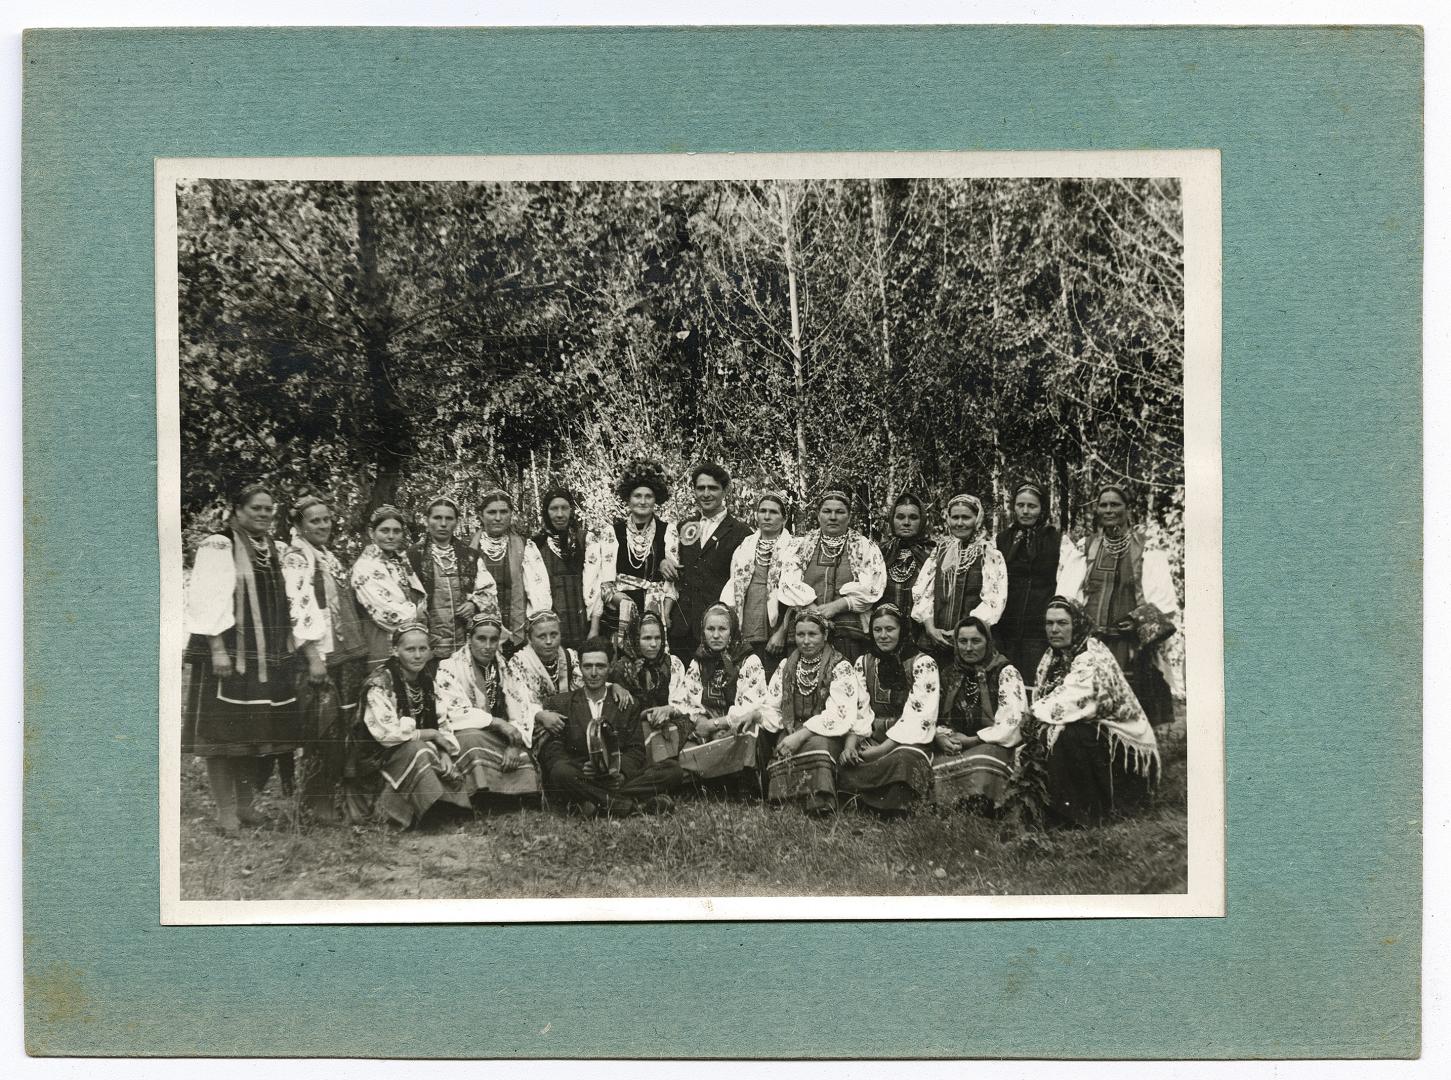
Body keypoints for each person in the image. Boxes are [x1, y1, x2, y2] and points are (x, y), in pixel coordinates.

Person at [184, 482, 311, 835]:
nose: (264, 514)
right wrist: (217, 649)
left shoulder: (275, 548)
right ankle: (226, 811)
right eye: (256, 508)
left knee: (255, 731)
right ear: (237, 510)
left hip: (269, 655)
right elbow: (207, 598)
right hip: (229, 653)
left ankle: (245, 804)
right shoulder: (219, 544)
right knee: (223, 736)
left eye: (269, 509)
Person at [1025, 597, 1160, 826]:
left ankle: (1082, 813)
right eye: (1049, 623)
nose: (1054, 629)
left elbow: (1072, 700)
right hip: (1095, 734)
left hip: (1123, 751)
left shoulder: (1092, 655)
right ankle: (1052, 806)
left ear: (1077, 624)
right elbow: (1043, 696)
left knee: (1067, 735)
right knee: (1056, 731)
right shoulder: (1052, 657)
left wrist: (1031, 716)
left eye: (1062, 623)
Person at [1057, 483, 1182, 727]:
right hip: (1092, 643)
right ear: (1096, 510)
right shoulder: (1086, 547)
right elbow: (1066, 596)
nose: (1108, 510)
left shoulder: (1146, 548)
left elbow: (1164, 600)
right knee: (1090, 705)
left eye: (1115, 504)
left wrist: (1138, 620)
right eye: (1103, 505)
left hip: (1131, 644)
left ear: (1127, 508)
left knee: (1131, 709)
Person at [280, 494, 372, 823]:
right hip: (321, 656)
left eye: (326, 519)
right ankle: (316, 804)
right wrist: (312, 658)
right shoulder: (296, 558)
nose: (323, 525)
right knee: (323, 727)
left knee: (346, 725)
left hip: (346, 652)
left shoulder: (327, 555)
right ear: (299, 525)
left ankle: (340, 799)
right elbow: (296, 608)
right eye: (314, 520)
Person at [535, 638, 686, 817]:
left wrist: (619, 773)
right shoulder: (561, 704)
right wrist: (584, 768)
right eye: (588, 666)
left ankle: (594, 802)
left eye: (600, 666)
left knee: (672, 770)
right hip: (582, 774)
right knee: (561, 772)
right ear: (580, 668)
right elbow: (553, 751)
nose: (593, 673)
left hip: (614, 777)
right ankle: (630, 806)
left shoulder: (627, 704)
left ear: (610, 667)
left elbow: (636, 750)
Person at [346, 624, 473, 828]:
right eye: (410, 649)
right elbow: (388, 735)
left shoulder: (426, 681)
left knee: (440, 752)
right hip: (377, 763)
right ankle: (421, 813)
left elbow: (442, 721)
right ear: (395, 650)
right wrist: (431, 734)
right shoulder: (380, 684)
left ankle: (447, 808)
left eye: (423, 649)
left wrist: (444, 752)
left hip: (408, 750)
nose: (417, 656)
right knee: (419, 750)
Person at [837, 604, 939, 813]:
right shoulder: (864, 663)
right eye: (877, 630)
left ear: (902, 630)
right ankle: (864, 800)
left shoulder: (923, 664)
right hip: (872, 736)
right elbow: (859, 709)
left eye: (890, 629)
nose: (883, 636)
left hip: (907, 740)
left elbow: (918, 716)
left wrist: (881, 750)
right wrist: (851, 746)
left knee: (903, 760)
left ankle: (887, 803)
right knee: (844, 758)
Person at [760, 611, 862, 815]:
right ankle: (786, 800)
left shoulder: (840, 667)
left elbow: (839, 714)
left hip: (826, 732)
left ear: (825, 635)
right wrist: (787, 730)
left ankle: (820, 800)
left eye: (812, 634)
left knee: (819, 745)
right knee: (782, 745)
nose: (805, 641)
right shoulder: (786, 666)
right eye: (800, 634)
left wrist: (801, 735)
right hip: (793, 729)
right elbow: (772, 706)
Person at [433, 612, 540, 797]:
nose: (488, 646)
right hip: (468, 733)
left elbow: (521, 707)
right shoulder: (449, 667)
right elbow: (454, 711)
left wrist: (514, 743)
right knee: (472, 738)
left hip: (501, 736)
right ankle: (483, 792)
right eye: (481, 639)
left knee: (523, 745)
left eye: (493, 640)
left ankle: (513, 794)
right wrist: (497, 722)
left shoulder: (506, 668)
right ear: (469, 639)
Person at [929, 616, 1029, 811]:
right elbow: (934, 716)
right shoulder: (949, 674)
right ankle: (950, 803)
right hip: (955, 744)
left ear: (988, 642)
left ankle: (978, 802)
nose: (968, 648)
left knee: (985, 760)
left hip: (993, 744)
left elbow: (1011, 724)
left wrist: (971, 741)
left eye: (975, 641)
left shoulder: (1005, 672)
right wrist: (941, 737)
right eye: (962, 641)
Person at [664, 603, 772, 782]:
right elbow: (688, 700)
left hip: (734, 729)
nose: (715, 635)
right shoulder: (698, 662)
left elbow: (750, 707)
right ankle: (715, 773)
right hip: (705, 729)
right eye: (710, 629)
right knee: (672, 735)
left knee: (749, 732)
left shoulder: (749, 661)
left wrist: (716, 725)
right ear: (703, 631)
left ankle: (705, 774)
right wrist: (703, 723)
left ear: (732, 631)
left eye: (722, 629)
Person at [776, 487, 886, 662]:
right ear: (818, 515)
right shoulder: (801, 546)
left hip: (848, 635)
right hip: (806, 634)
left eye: (840, 512)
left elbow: (873, 586)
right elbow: (788, 583)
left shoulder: (865, 547)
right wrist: (813, 609)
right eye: (827, 511)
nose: (833, 517)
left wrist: (839, 605)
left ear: (849, 517)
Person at [504, 610, 635, 747]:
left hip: (569, 723)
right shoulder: (518, 663)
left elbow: (589, 681)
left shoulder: (569, 657)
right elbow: (517, 703)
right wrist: (539, 715)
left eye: (554, 635)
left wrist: (612, 686)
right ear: (530, 639)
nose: (549, 641)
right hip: (539, 727)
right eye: (541, 636)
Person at [911, 493, 1007, 665]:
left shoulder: (989, 554)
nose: (960, 523)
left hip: (970, 643)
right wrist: (930, 627)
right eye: (955, 517)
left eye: (966, 517)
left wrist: (961, 633)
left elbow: (993, 601)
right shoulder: (940, 552)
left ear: (977, 519)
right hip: (934, 640)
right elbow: (923, 593)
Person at [669, 462, 750, 660]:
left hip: (717, 631)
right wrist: (664, 562)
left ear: (725, 491)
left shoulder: (741, 533)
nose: (706, 494)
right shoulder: (682, 527)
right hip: (681, 629)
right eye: (701, 488)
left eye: (713, 488)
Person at [994, 482, 1071, 682]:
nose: (1025, 511)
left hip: (1039, 630)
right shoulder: (1001, 540)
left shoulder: (1058, 541)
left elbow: (1064, 587)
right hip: (1006, 629)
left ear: (1042, 508)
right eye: (1020, 505)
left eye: (1032, 506)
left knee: (1036, 681)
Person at [406, 496, 498, 661]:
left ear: (456, 522)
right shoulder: (413, 556)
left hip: (465, 643)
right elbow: (404, 599)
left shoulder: (469, 556)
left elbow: (489, 590)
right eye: (437, 518)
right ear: (427, 520)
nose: (443, 524)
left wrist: (474, 603)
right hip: (426, 646)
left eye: (449, 518)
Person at [597, 459, 679, 642]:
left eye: (648, 496)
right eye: (637, 496)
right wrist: (625, 604)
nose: (642, 501)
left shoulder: (668, 531)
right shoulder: (612, 532)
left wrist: (665, 613)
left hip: (656, 612)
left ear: (656, 499)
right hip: (620, 610)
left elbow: (671, 583)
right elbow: (606, 585)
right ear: (628, 498)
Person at [720, 492, 794, 679]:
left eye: (773, 512)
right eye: (762, 511)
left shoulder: (794, 548)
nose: (767, 516)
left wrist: (781, 633)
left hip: (778, 633)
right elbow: (732, 589)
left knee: (774, 680)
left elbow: (797, 599)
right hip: (748, 629)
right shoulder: (744, 547)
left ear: (784, 518)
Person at [469, 488, 551, 652]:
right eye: (492, 512)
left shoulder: (525, 547)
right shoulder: (469, 550)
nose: (498, 518)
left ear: (511, 514)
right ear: (481, 515)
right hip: (480, 636)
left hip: (518, 635)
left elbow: (539, 595)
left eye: (503, 512)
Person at [350, 505, 428, 669]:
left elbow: (419, 596)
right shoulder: (365, 566)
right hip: (382, 644)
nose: (391, 536)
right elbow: (387, 613)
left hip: (408, 643)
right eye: (384, 531)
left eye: (396, 531)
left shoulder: (399, 561)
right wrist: (417, 613)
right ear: (372, 533)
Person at [526, 486, 604, 649]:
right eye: (554, 509)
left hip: (585, 626)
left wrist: (594, 629)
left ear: (571, 510)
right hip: (552, 631)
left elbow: (595, 586)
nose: (560, 514)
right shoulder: (536, 546)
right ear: (546, 512)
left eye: (564, 508)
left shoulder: (586, 540)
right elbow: (536, 593)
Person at [607, 611, 689, 763]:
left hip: (667, 721)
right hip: (634, 730)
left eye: (657, 638)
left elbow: (681, 699)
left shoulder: (672, 664)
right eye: (647, 638)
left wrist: (667, 710)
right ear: (635, 639)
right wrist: (614, 686)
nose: (654, 644)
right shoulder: (622, 668)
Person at [876, 492, 936, 631]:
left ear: (922, 520)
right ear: (892, 519)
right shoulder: (879, 552)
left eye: (913, 517)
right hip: (885, 633)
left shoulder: (934, 554)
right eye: (900, 517)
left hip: (922, 633)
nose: (906, 523)